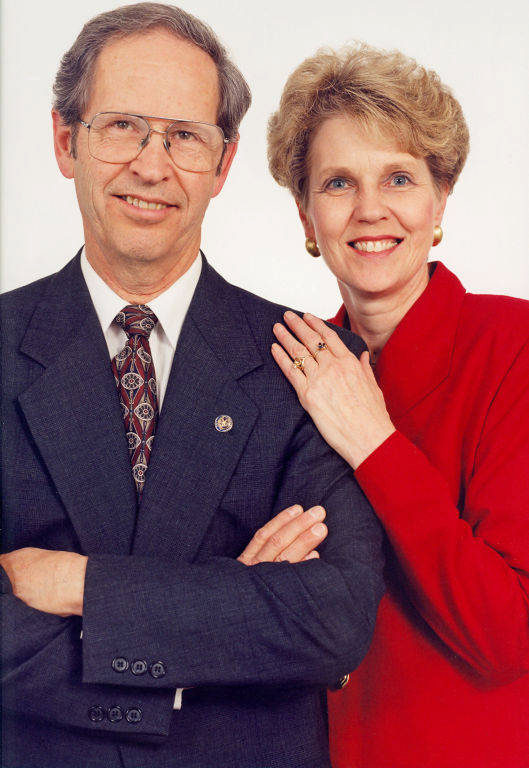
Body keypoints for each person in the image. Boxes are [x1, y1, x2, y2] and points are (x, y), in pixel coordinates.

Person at [0, 8, 385, 768]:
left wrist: (83, 586)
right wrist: (222, 615)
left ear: (224, 162)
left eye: (183, 135)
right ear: (63, 140)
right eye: (121, 127)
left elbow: (332, 620)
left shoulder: (311, 359)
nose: (152, 165)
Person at [267, 43, 529, 768]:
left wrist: (374, 445)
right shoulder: (288, 371)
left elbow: (506, 638)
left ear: (439, 200)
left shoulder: (513, 348)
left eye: (398, 178)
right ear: (304, 215)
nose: (370, 209)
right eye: (338, 182)